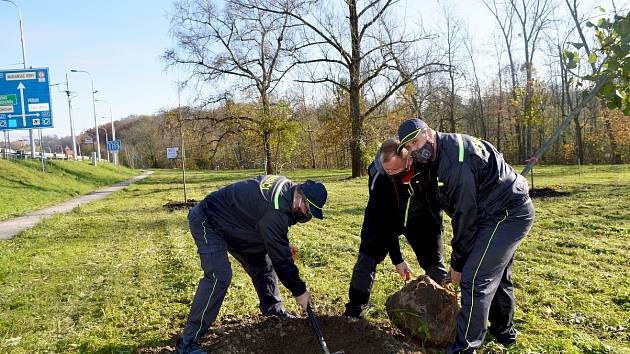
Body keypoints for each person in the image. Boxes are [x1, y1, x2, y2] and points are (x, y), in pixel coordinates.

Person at [397, 118, 535, 353]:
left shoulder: (455, 162)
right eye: (409, 148)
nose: (414, 150)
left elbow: (465, 219)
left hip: (507, 214)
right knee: (495, 274)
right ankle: (504, 332)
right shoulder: (436, 155)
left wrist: (458, 266)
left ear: (429, 132)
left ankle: (464, 347)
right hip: (490, 213)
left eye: (416, 142)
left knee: (474, 278)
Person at [176, 175, 328, 354]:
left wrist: (277, 240)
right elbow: (282, 259)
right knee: (219, 276)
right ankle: (188, 342)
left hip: (238, 225)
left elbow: (264, 222)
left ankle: (273, 311)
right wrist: (299, 291)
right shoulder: (275, 209)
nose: (306, 215)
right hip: (208, 220)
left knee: (262, 262)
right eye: (307, 210)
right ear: (299, 196)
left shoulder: (287, 192)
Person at [343, 138, 448, 319]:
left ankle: (446, 312)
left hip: (420, 218)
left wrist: (436, 227)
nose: (391, 173)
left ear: (408, 160)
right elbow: (386, 222)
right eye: (387, 170)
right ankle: (354, 311)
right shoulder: (380, 176)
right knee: (366, 259)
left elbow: (437, 199)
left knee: (435, 264)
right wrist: (397, 260)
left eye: (395, 169)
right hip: (383, 217)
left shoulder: (424, 166)